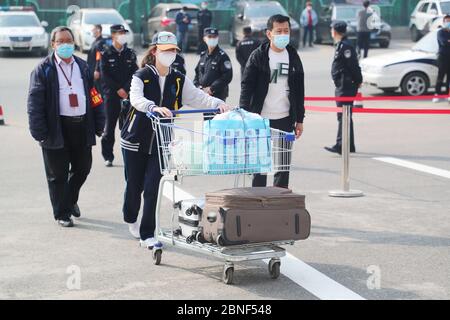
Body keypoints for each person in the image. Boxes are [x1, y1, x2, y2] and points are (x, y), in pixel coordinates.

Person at [120, 31, 231, 247]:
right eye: (166, 50)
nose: (170, 54)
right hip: (135, 138)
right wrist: (152, 107)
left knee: (153, 187)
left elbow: (198, 97)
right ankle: (130, 217)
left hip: (162, 141)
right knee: (134, 185)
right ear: (155, 51)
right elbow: (136, 99)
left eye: (173, 50)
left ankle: (147, 234)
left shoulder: (178, 78)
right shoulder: (141, 75)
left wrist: (218, 104)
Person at [27, 26, 105, 227]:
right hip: (56, 127)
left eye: (68, 41)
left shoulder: (83, 67)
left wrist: (99, 122)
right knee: (57, 175)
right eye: (60, 41)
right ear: (53, 44)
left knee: (82, 168)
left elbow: (95, 97)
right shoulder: (43, 69)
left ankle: (69, 200)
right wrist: (39, 131)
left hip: (81, 125)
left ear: (74, 43)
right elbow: (35, 103)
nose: (65, 44)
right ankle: (62, 213)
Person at [240, 14, 305, 189]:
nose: (283, 34)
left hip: (285, 117)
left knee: (283, 166)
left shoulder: (292, 55)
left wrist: (300, 119)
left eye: (286, 31)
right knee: (260, 165)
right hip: (261, 118)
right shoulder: (258, 56)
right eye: (279, 31)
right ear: (269, 34)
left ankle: (279, 199)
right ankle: (258, 198)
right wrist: (244, 116)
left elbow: (299, 89)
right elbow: (247, 87)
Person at [100, 24, 138, 167]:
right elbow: (104, 75)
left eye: (124, 32)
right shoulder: (106, 53)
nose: (123, 35)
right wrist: (117, 89)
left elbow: (135, 72)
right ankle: (108, 156)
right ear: (113, 35)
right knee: (109, 127)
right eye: (120, 33)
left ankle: (130, 156)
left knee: (129, 127)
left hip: (128, 95)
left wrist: (126, 89)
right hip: (112, 96)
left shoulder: (130, 53)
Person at [324, 21, 362, 155]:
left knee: (343, 116)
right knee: (346, 116)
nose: (331, 32)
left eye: (332, 29)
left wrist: (359, 80)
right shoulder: (341, 45)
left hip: (345, 86)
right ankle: (349, 145)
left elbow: (353, 65)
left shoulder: (345, 46)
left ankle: (341, 145)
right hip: (342, 85)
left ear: (335, 31)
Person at [194, 27, 233, 103]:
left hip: (218, 95)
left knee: (217, 115)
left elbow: (227, 76)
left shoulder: (222, 56)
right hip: (204, 95)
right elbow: (197, 74)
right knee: (207, 115)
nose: (212, 39)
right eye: (209, 37)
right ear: (204, 39)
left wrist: (212, 88)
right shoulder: (203, 56)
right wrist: (199, 87)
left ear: (218, 38)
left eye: (214, 37)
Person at [433, 14, 450, 103]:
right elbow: (444, 42)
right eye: (447, 21)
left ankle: (448, 94)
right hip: (442, 57)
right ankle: (437, 94)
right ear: (444, 22)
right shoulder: (440, 32)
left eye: (449, 21)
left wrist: (448, 41)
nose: (448, 23)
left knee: (449, 78)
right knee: (441, 76)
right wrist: (447, 41)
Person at [86, 24, 106, 91]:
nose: (92, 31)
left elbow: (99, 57)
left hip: (96, 72)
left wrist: (97, 70)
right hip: (92, 69)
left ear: (98, 30)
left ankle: (101, 102)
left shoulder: (100, 42)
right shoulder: (95, 42)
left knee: (98, 90)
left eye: (94, 29)